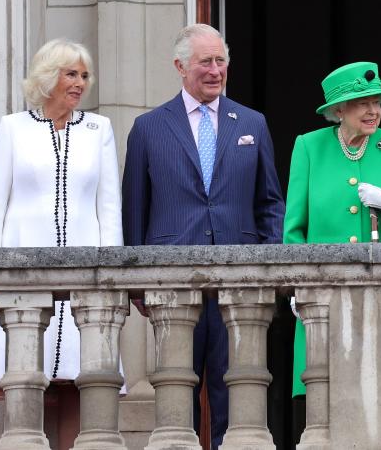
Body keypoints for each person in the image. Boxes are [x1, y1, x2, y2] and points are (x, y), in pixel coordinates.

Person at [122, 23, 285, 449]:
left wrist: (268, 265)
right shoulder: (148, 127)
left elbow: (270, 201)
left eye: (221, 61)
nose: (215, 70)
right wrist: (137, 283)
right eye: (205, 62)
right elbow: (134, 209)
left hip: (240, 282)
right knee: (177, 393)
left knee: (237, 389)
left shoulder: (252, 123)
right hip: (173, 282)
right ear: (180, 66)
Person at [0, 38, 122, 449]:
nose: (80, 83)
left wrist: (111, 277)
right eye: (70, 73)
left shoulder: (99, 130)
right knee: (25, 380)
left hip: (84, 277)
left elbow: (109, 208)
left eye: (84, 75)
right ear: (47, 77)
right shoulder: (13, 128)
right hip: (21, 275)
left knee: (83, 379)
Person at [284, 61, 381, 435]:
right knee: (320, 401)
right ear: (339, 110)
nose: (373, 110)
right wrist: (297, 286)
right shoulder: (309, 147)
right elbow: (294, 229)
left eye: (377, 101)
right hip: (323, 300)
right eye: (362, 102)